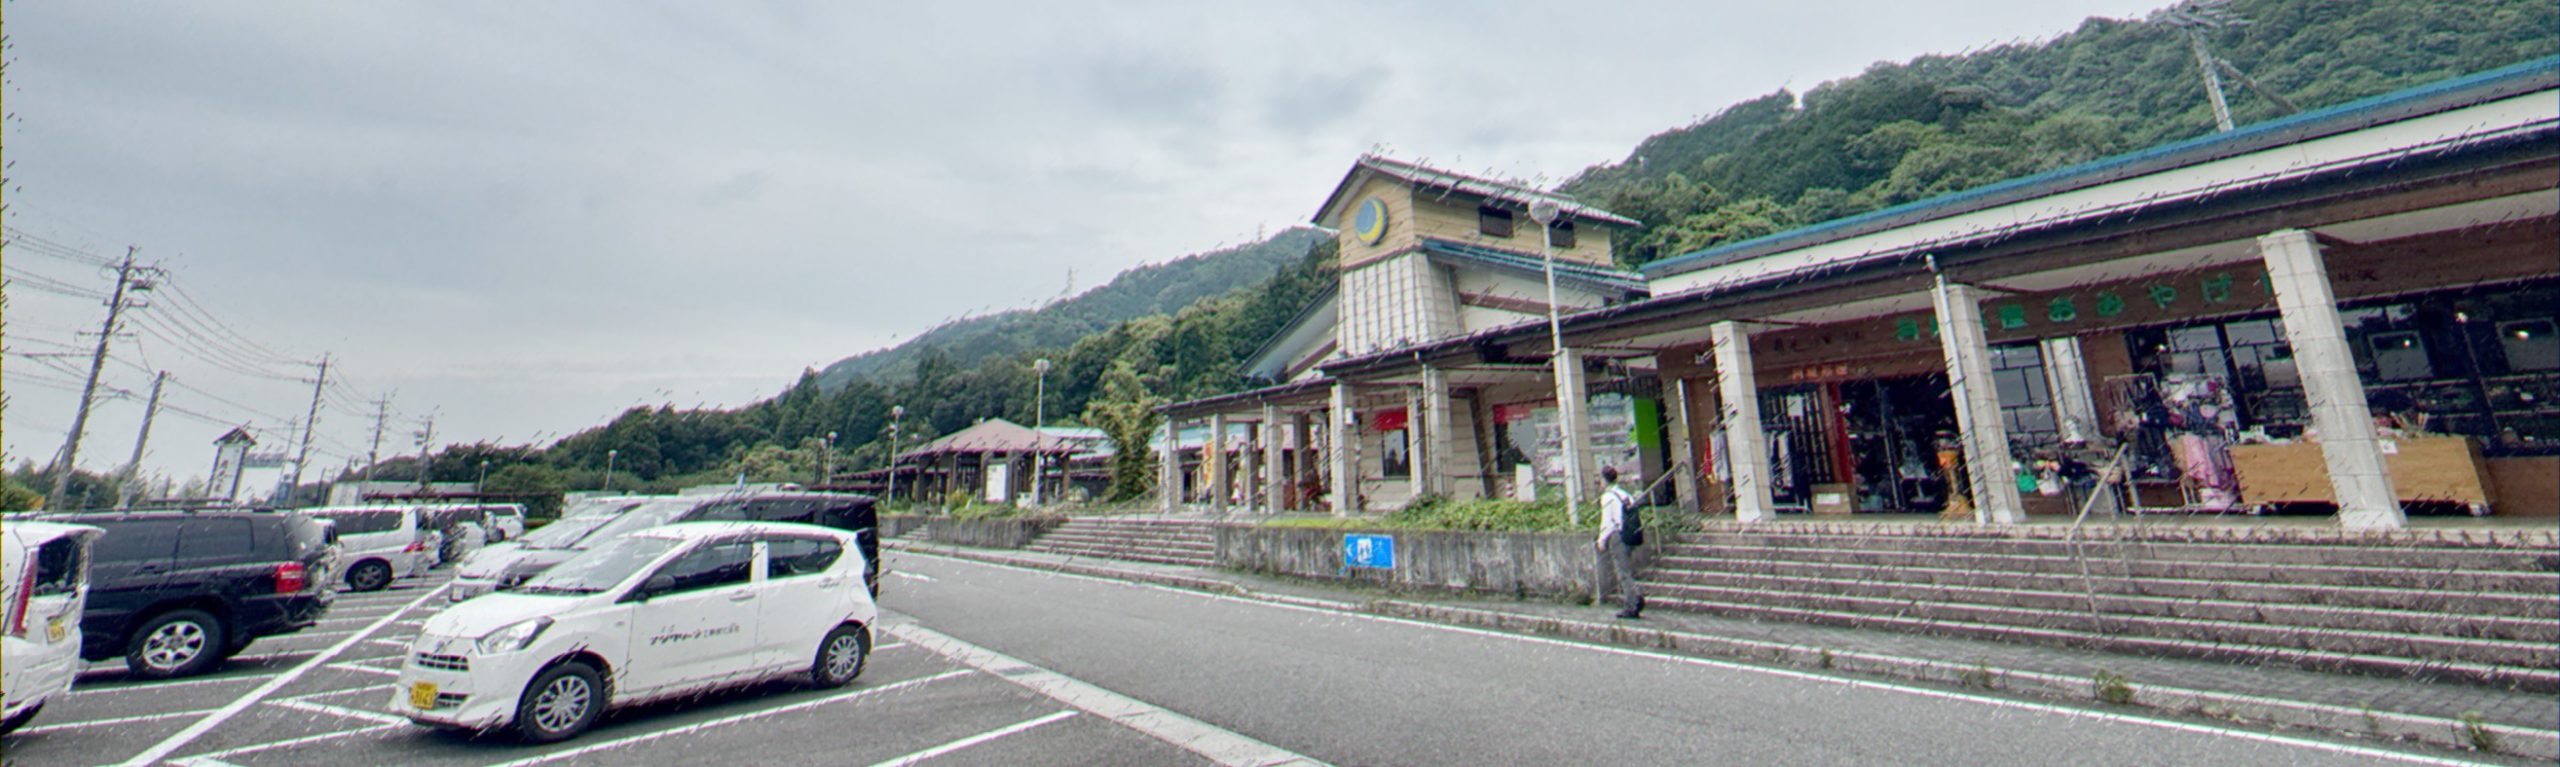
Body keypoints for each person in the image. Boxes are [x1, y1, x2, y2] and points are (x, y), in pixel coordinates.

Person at [1596, 465, 1644, 619]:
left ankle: (1633, 602)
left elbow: (1607, 521)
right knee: (1626, 569)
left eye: (1600, 479)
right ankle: (1635, 597)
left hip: (1618, 535)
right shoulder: (1624, 494)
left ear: (1604, 479)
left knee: (1623, 571)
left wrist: (1602, 539)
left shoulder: (1608, 497)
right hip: (1630, 534)